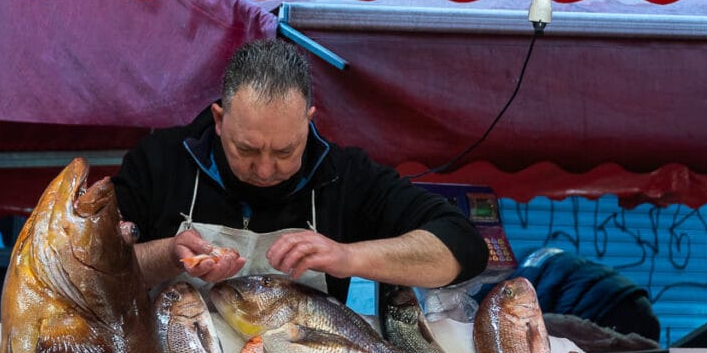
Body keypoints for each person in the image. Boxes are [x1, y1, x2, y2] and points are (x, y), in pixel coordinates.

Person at [112, 39, 489, 300]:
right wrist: (167, 255)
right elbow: (92, 272)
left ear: (308, 123)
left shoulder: (346, 175)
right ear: (220, 120)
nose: (264, 170)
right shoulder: (158, 161)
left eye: (285, 150)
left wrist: (348, 257)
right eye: (246, 149)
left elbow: (463, 246)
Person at [490, 246, 661, 343]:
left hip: (605, 311)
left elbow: (538, 325)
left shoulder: (510, 286)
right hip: (635, 300)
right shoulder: (530, 256)